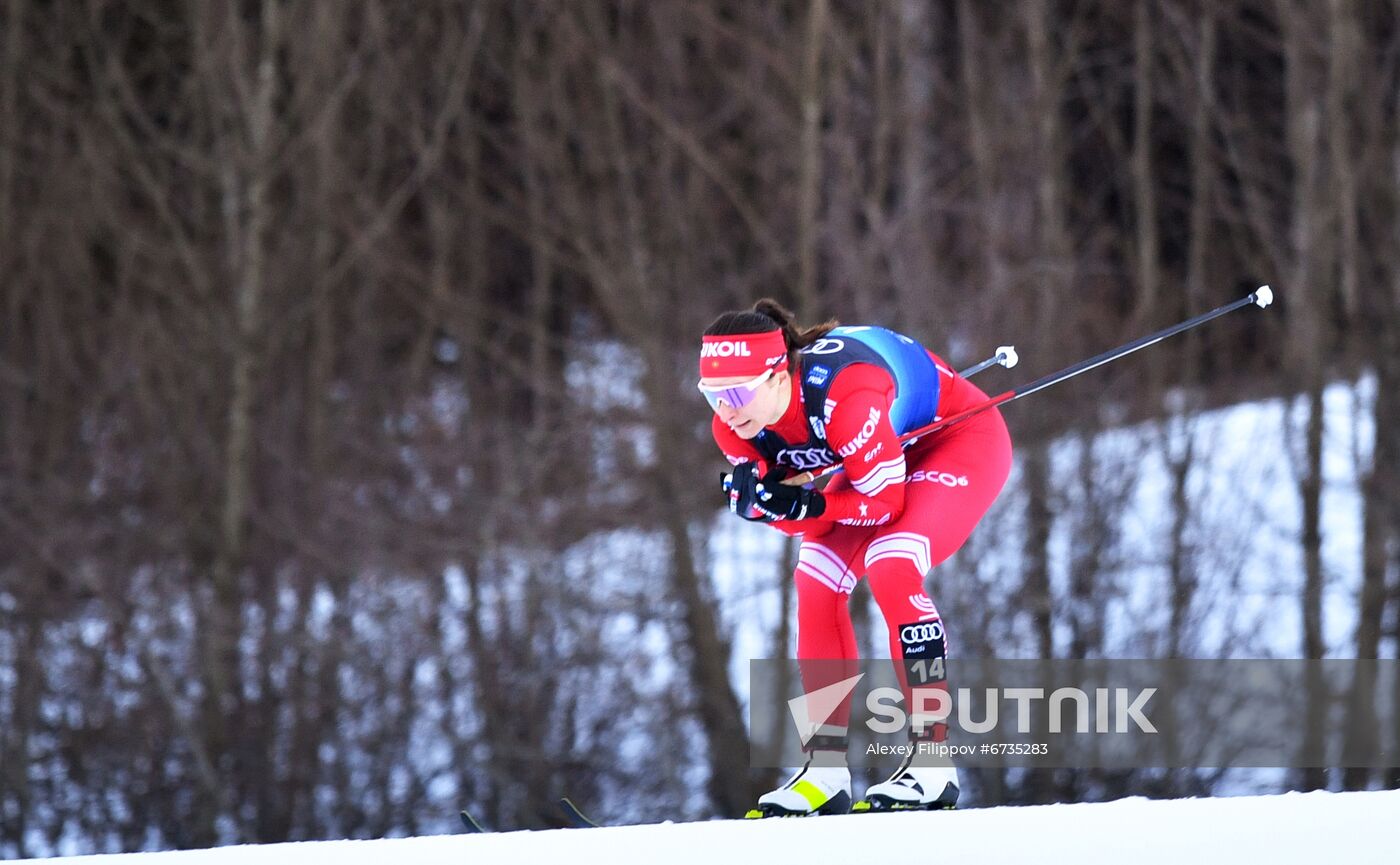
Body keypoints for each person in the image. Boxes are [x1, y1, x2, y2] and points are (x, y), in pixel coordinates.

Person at [698, 298, 1012, 816]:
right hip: (875, 459)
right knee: (815, 576)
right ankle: (824, 772)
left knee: (892, 560)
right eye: (712, 395)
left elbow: (884, 505)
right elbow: (812, 519)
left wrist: (803, 500)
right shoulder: (735, 426)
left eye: (736, 391)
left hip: (954, 440)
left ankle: (933, 763)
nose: (726, 409)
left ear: (779, 375)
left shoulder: (846, 394)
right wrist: (772, 508)